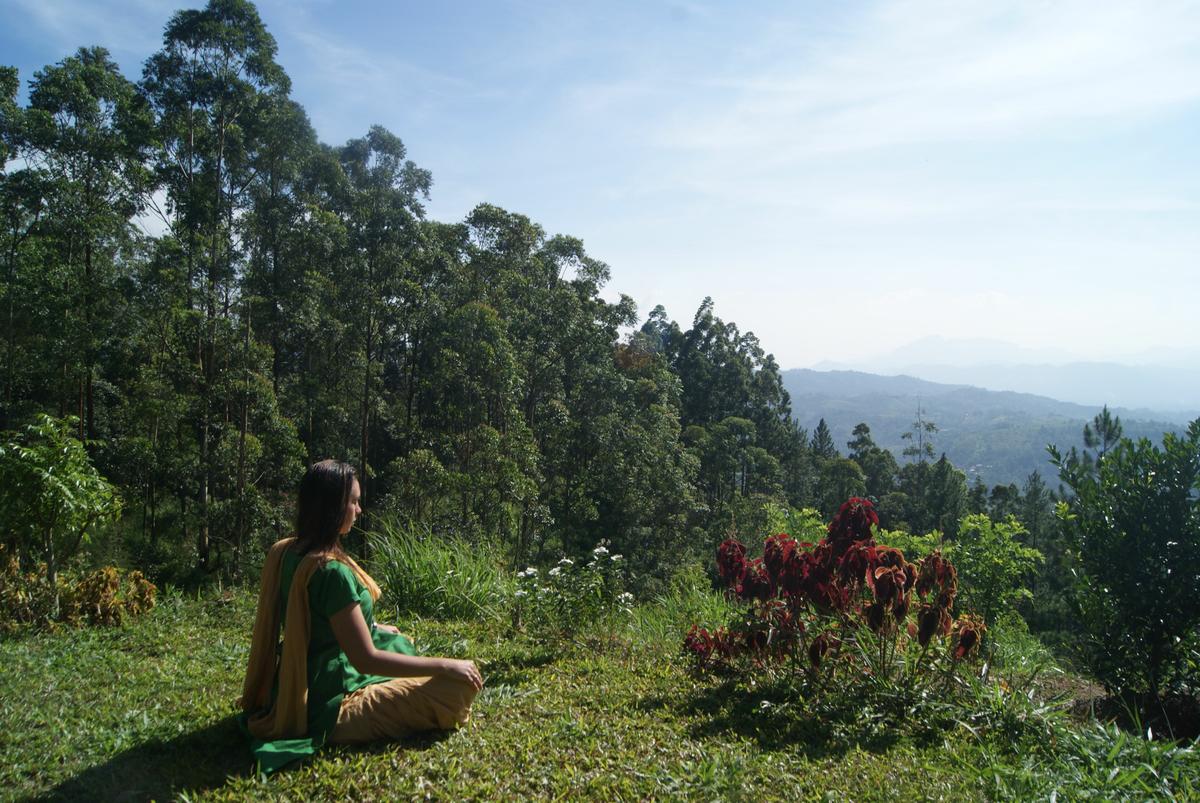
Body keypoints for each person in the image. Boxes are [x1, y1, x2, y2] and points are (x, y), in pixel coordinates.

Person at [239, 459, 483, 772]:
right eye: (353, 501)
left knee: (398, 639)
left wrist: (374, 626)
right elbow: (365, 660)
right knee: (456, 690)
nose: (359, 510)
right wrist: (447, 664)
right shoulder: (331, 572)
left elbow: (320, 618)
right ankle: (345, 723)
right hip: (327, 705)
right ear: (332, 508)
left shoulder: (286, 551)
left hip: (294, 684)